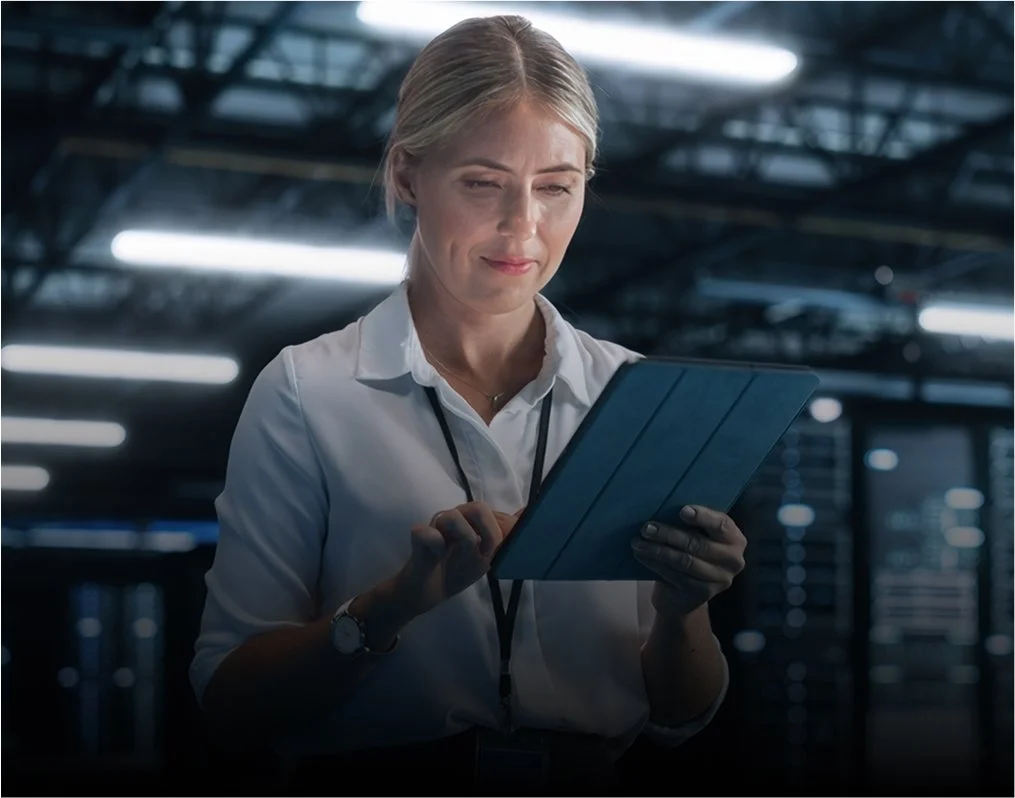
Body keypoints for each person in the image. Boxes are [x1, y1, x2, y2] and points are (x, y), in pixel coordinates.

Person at [190, 13, 747, 795]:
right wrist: (386, 609)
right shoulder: (307, 391)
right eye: (482, 183)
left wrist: (685, 607)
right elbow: (231, 701)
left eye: (557, 187)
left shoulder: (638, 394)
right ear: (407, 175)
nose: (523, 225)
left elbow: (681, 716)